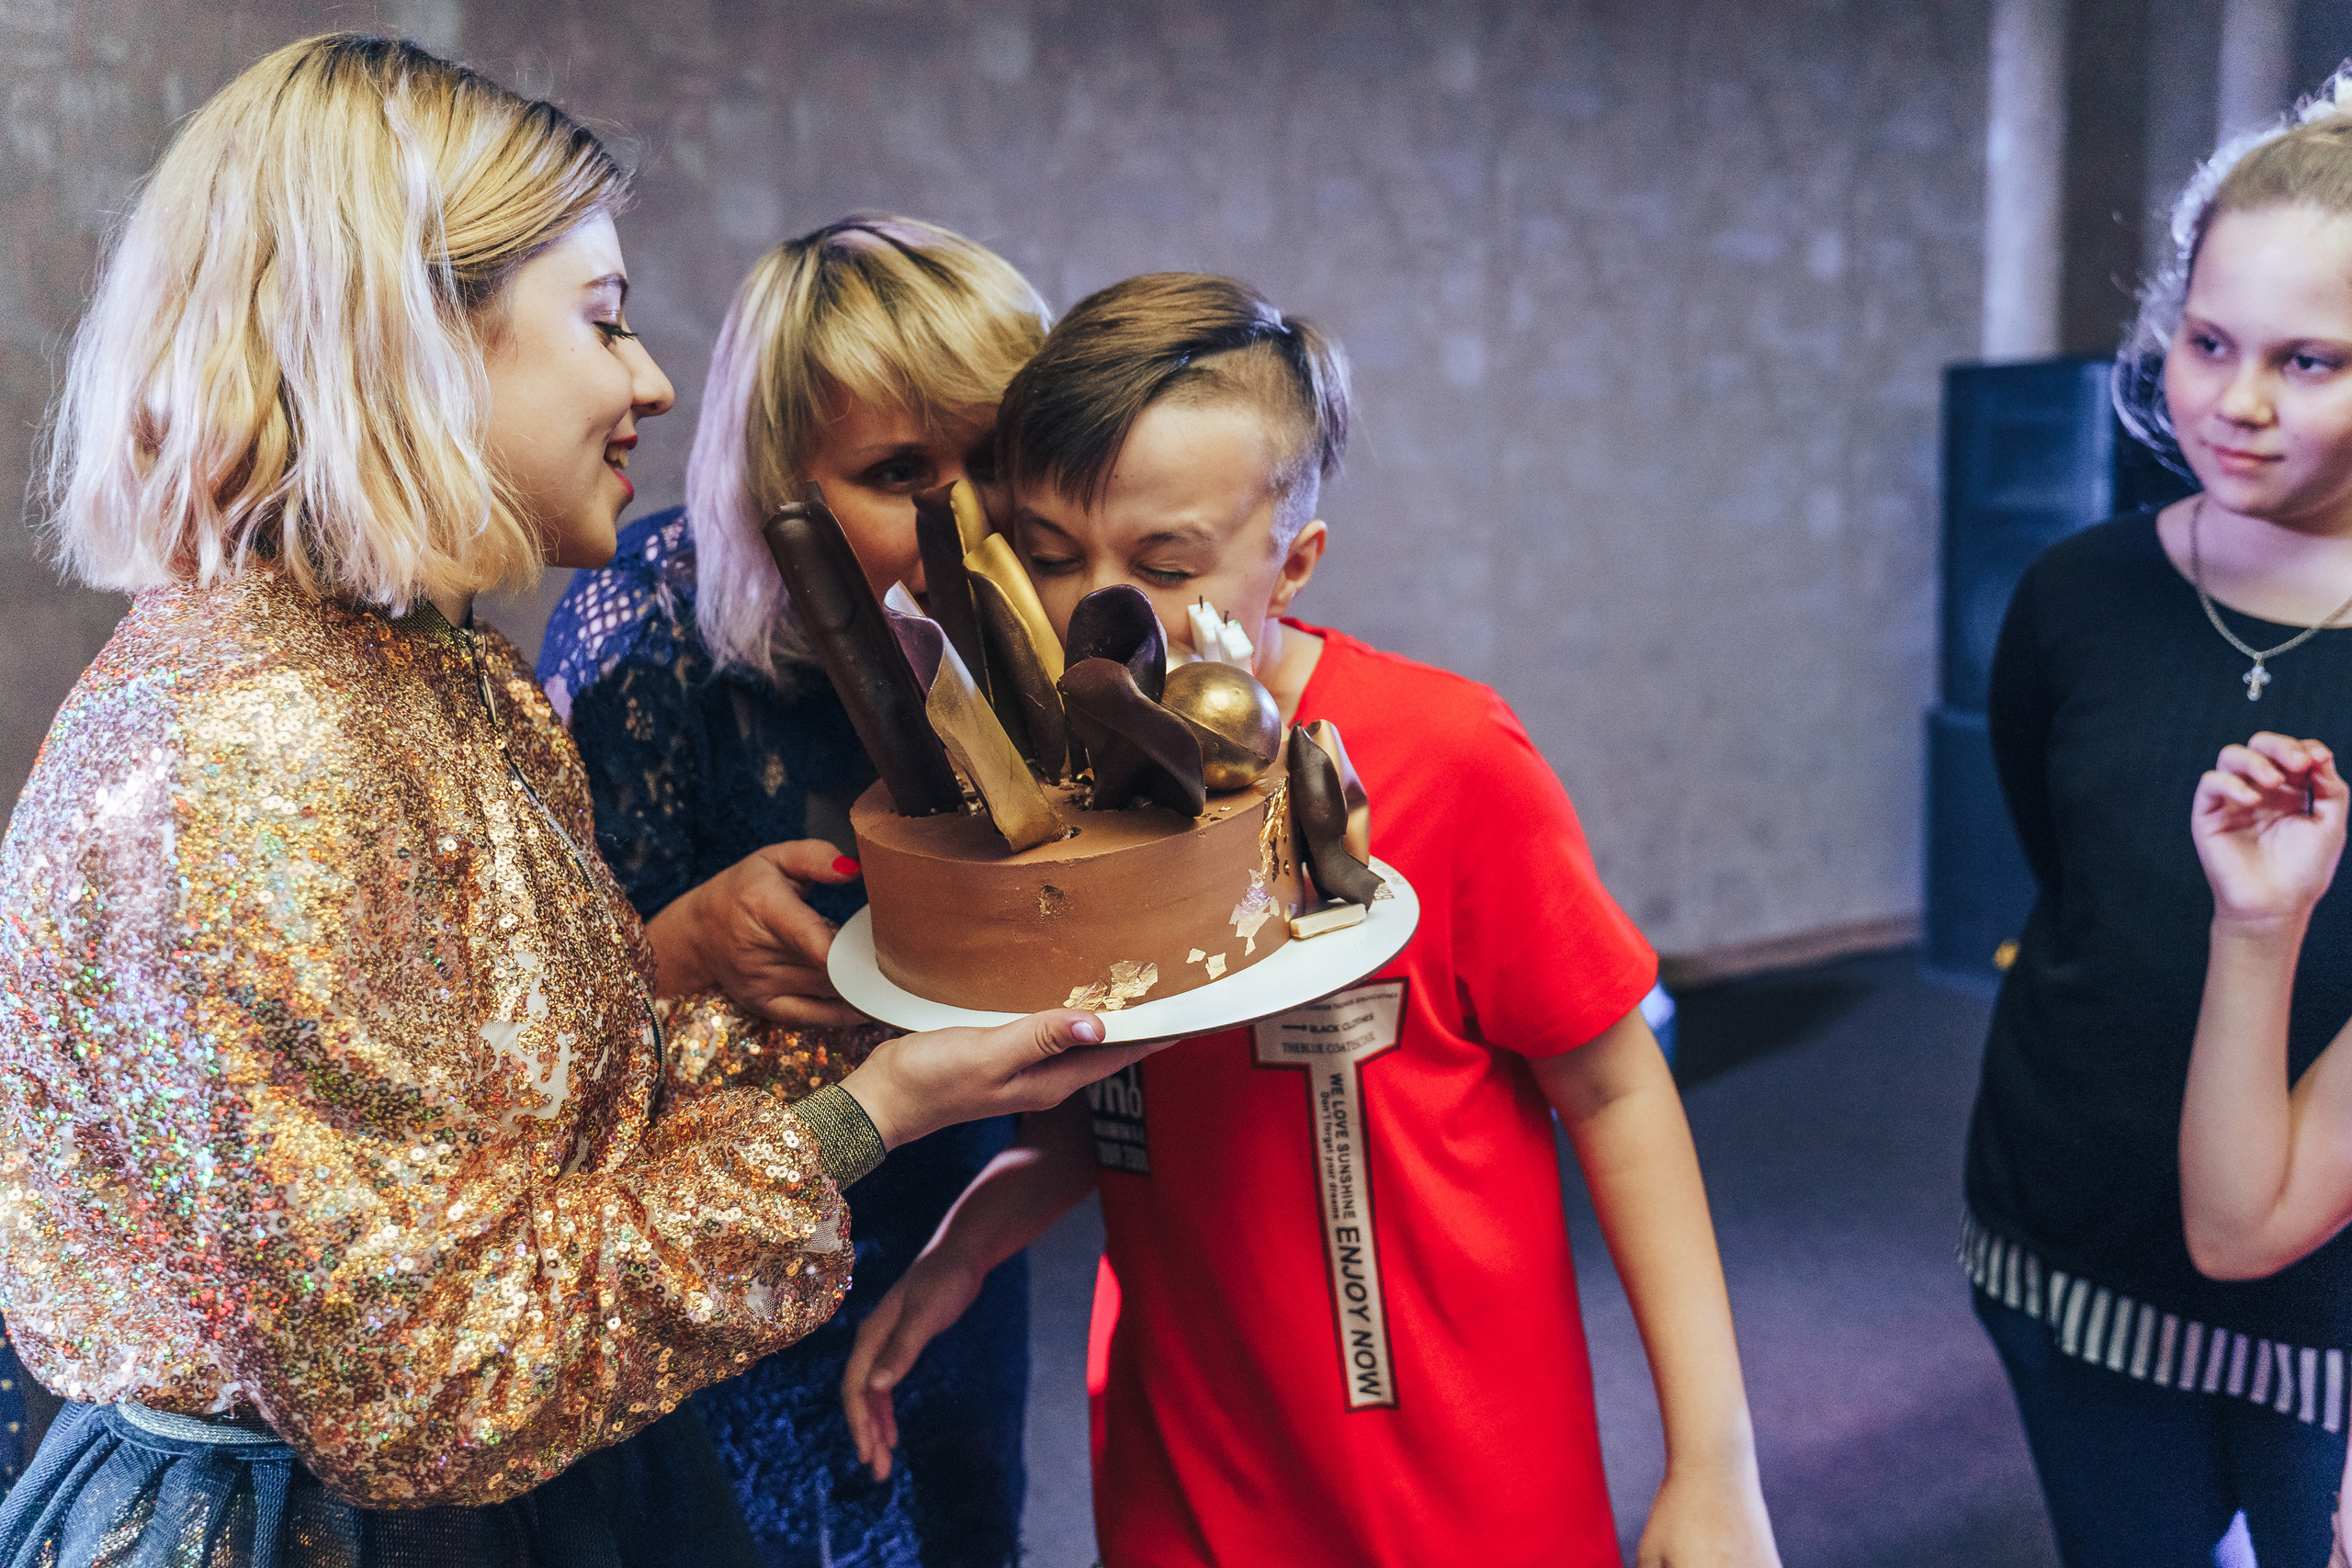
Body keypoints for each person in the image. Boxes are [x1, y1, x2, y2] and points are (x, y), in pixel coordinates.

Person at [0, 36, 1154, 1565]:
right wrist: (875, 1112)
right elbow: (428, 1382)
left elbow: (521, 1141)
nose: (652, 382)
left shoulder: (420, 668)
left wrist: (863, 1013)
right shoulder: (263, 758)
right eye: (601, 321)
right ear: (409, 333)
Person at [838, 273, 1781, 1568]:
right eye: (1050, 558)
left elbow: (1616, 1092)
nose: (1087, 616)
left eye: (1162, 566)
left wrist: (1714, 1458)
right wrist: (975, 1232)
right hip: (1188, 1441)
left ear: (1294, 558)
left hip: (1454, 1468)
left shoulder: (1450, 758)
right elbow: (1139, 1080)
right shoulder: (1052, 784)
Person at [535, 218, 1047, 1566]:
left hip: (949, 1206)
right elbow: (524, 1054)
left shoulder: (1047, 627)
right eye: (900, 471)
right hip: (718, 1262)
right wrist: (676, 939)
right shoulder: (643, 629)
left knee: (962, 1519)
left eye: (996, 460)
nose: (965, 516)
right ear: (777, 485)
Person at [1961, 73, 2352, 1568]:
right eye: (2207, 344)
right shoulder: (2078, 592)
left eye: (2309, 360)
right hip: (2079, 1247)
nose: (2237, 403)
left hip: (2327, 1299)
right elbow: (2074, 881)